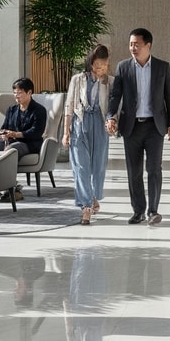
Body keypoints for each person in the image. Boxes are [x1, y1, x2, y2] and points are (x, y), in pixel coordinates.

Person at [106, 27, 170, 225]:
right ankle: (138, 210)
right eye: (130, 44)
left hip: (155, 127)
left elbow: (169, 97)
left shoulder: (162, 67)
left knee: (154, 168)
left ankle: (153, 211)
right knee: (134, 171)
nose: (133, 48)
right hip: (131, 127)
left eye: (136, 44)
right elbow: (115, 96)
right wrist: (110, 116)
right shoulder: (123, 67)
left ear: (148, 45)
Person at [64, 45, 113, 225]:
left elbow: (113, 108)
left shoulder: (110, 82)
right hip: (80, 124)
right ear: (91, 63)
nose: (101, 69)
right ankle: (86, 207)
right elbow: (69, 105)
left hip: (100, 126)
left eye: (105, 65)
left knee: (98, 166)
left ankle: (94, 196)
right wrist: (65, 132)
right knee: (81, 167)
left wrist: (112, 121)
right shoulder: (78, 79)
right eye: (98, 65)